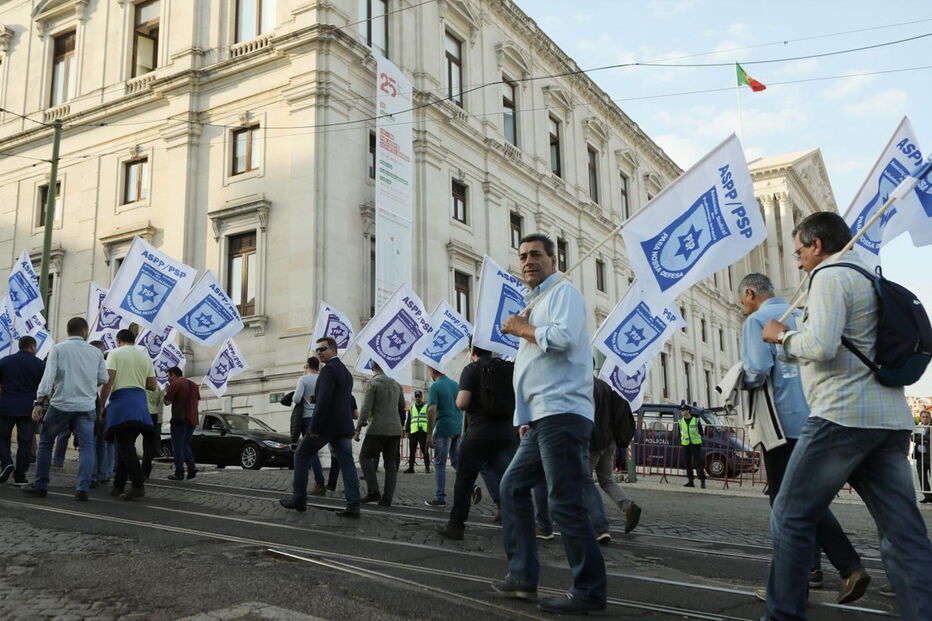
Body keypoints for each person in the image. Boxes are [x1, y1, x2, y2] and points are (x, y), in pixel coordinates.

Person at [761, 211, 932, 620]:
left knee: (789, 515)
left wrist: (780, 336)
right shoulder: (870, 279)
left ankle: (782, 614)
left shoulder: (830, 277)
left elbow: (820, 345)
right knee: (903, 532)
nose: (798, 260)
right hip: (888, 420)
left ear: (817, 246)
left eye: (800, 250)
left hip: (841, 417)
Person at [492, 233, 606, 615]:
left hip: (562, 413)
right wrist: (523, 417)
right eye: (522, 255)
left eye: (536, 255)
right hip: (541, 418)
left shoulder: (564, 295)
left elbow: (559, 340)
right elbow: (534, 368)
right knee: (512, 486)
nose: (528, 261)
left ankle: (589, 590)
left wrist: (521, 329)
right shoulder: (536, 303)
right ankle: (523, 577)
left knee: (565, 503)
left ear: (553, 260)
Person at [739, 272, 869, 604]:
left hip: (781, 426)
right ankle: (810, 570)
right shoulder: (803, 314)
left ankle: (845, 568)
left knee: (788, 504)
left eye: (743, 300)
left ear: (751, 294)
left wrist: (737, 378)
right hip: (819, 418)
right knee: (804, 498)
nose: (743, 307)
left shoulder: (757, 322)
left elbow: (756, 371)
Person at [22, 318, 108, 501]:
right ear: (84, 331)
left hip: (61, 404)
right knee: (87, 447)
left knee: (45, 442)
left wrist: (39, 402)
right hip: (86, 406)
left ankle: (41, 485)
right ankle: (83, 488)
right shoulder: (96, 353)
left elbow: (48, 378)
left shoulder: (58, 349)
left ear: (68, 331)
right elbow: (103, 378)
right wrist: (88, 383)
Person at [436, 347, 518, 540]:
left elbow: (462, 402)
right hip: (507, 434)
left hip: (479, 434)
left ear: (473, 351)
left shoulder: (471, 369)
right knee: (510, 481)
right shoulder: (511, 369)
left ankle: (456, 526)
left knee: (464, 481)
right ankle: (519, 525)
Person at [279, 337, 360, 518]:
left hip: (326, 426)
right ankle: (354, 506)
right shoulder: (346, 372)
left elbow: (324, 402)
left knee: (301, 454)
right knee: (347, 464)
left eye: (323, 349)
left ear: (333, 350)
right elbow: (340, 398)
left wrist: (314, 427)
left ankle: (299, 499)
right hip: (343, 425)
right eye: (317, 350)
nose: (319, 352)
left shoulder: (328, 370)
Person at [98, 329, 157, 501]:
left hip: (122, 405)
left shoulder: (115, 354)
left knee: (125, 447)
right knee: (126, 445)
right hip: (140, 406)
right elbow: (152, 385)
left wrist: (101, 405)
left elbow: (109, 381)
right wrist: (137, 379)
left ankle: (138, 485)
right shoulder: (145, 357)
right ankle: (118, 485)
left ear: (118, 340)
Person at [589, 376, 640, 535]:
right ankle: (628, 506)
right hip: (609, 440)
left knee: (584, 481)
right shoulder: (604, 386)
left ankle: (598, 525)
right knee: (606, 480)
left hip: (593, 441)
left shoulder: (583, 384)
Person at [354, 361, 404, 507]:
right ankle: (387, 498)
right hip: (394, 429)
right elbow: (401, 406)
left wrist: (358, 428)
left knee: (364, 456)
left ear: (372, 367)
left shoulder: (372, 383)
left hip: (378, 427)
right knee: (390, 463)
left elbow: (365, 408)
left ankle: (373, 491)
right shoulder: (396, 384)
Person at [0, 336, 46, 486]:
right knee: (25, 442)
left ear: (20, 346)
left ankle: (6, 462)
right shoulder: (40, 364)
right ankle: (20, 476)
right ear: (32, 347)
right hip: (29, 408)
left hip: (6, 406)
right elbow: (44, 387)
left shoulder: (5, 361)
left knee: (1, 437)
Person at [424, 366, 462, 507]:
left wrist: (429, 435)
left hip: (443, 428)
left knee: (440, 463)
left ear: (433, 372)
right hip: (458, 427)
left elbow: (432, 410)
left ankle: (440, 497)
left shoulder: (435, 386)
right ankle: (473, 485)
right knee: (456, 461)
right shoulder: (456, 385)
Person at [293, 357, 327, 496]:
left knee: (309, 452)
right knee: (312, 450)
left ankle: (319, 483)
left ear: (307, 366)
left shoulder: (303, 379)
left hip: (307, 418)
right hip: (321, 417)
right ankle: (317, 482)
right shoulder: (322, 379)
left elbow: (296, 398)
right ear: (318, 366)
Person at [164, 367, 199, 481]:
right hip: (192, 419)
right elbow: (197, 401)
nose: (168, 379)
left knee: (177, 446)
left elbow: (167, 402)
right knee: (184, 444)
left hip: (179, 419)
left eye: (168, 376)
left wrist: (167, 391)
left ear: (173, 374)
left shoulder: (175, 384)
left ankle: (179, 472)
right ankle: (191, 467)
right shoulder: (194, 385)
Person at [678, 402, 705, 489]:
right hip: (685, 444)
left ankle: (702, 481)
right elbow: (680, 433)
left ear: (688, 411)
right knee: (687, 463)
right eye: (681, 410)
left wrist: (695, 438)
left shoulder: (696, 420)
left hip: (695, 444)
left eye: (683, 410)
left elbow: (701, 432)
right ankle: (690, 481)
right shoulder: (680, 421)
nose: (681, 412)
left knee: (698, 463)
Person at [404, 390, 430, 473]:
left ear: (422, 397)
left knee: (424, 450)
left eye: (419, 396)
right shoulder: (411, 408)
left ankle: (427, 467)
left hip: (423, 432)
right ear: (415, 397)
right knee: (412, 450)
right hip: (414, 432)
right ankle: (411, 468)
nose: (418, 398)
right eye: (416, 396)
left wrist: (430, 432)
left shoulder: (427, 407)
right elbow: (409, 421)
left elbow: (430, 420)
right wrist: (407, 431)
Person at [142, 381, 164, 479]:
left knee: (131, 441)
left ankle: (134, 470)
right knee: (149, 444)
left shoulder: (142, 386)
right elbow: (160, 404)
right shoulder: (159, 388)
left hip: (143, 413)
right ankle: (146, 470)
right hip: (154, 415)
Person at [913, 410, 931, 504]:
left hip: (930, 456)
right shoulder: (917, 427)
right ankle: (928, 497)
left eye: (927, 416)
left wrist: (920, 439)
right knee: (922, 477)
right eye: (923, 416)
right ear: (920, 417)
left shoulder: (931, 427)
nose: (925, 418)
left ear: (930, 417)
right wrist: (924, 440)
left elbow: (930, 438)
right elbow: (913, 438)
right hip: (920, 456)